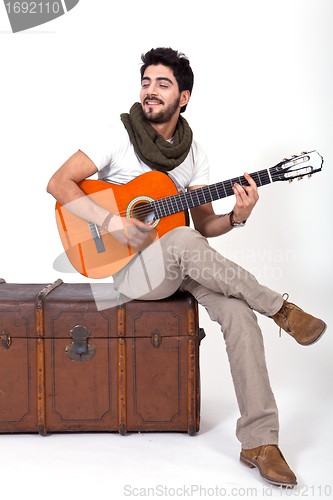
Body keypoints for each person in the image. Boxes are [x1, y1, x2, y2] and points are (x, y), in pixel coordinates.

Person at [47, 47, 326, 487]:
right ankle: (281, 309)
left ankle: (260, 441)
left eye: (163, 84)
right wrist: (113, 221)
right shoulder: (118, 135)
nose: (151, 91)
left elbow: (204, 227)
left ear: (184, 97)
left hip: (182, 261)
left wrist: (237, 215)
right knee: (177, 239)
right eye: (146, 82)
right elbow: (57, 182)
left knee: (237, 313)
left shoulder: (194, 152)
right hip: (131, 273)